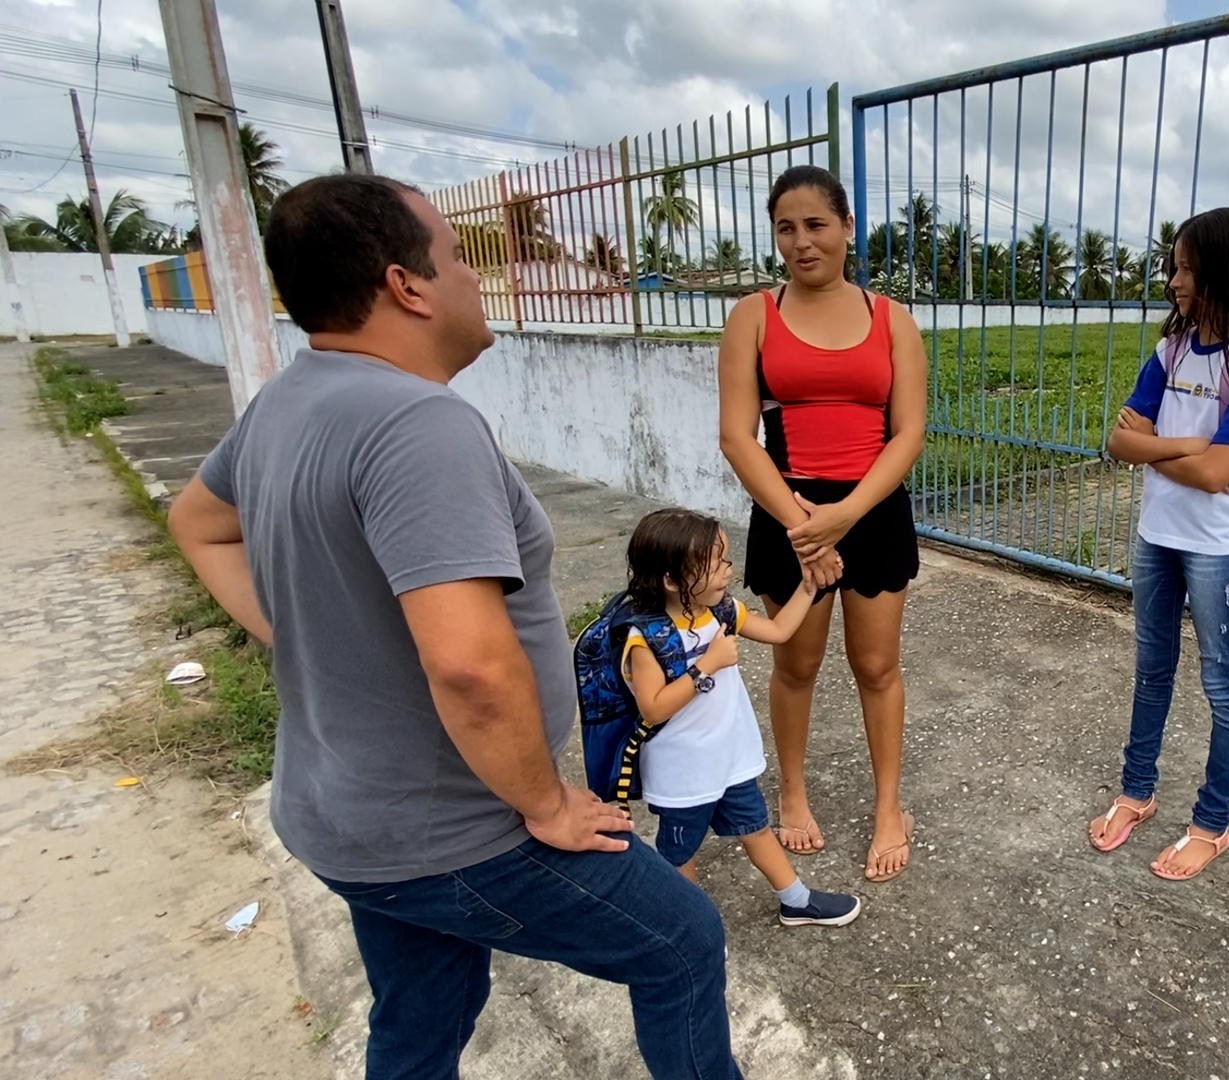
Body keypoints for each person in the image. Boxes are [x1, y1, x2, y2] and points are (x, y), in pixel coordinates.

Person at [167, 174, 741, 1079]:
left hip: (341, 817)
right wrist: (546, 803)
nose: (476, 280)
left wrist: (310, 635)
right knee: (677, 940)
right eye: (458, 258)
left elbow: (196, 523)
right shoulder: (416, 423)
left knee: (425, 1012)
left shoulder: (288, 399)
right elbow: (473, 668)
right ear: (408, 285)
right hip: (450, 828)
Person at [718, 165, 928, 883]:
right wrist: (803, 524)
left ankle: (889, 806)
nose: (801, 241)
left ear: (845, 228)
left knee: (876, 666)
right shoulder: (753, 315)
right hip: (789, 510)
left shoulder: (892, 318)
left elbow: (908, 433)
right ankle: (794, 792)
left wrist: (844, 514)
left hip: (870, 510)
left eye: (815, 224)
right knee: (795, 663)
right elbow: (737, 436)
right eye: (786, 227)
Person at [1088, 207, 1229, 882]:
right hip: (1157, 537)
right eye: (1173, 266)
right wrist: (1188, 445)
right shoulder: (1171, 349)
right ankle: (1135, 793)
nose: (1172, 279)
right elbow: (1120, 443)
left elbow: (1210, 476)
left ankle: (1212, 824)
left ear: (1222, 270)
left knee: (1224, 685)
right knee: (1151, 671)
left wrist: (1156, 449)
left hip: (1216, 550)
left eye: (1184, 266)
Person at [609, 507, 863, 927]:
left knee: (757, 828)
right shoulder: (647, 638)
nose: (728, 571)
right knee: (680, 854)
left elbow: (779, 632)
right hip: (683, 774)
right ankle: (693, 929)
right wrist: (705, 666)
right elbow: (652, 708)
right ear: (672, 580)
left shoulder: (720, 612)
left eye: (726, 559)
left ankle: (796, 901)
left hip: (729, 760)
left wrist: (807, 586)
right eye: (715, 564)